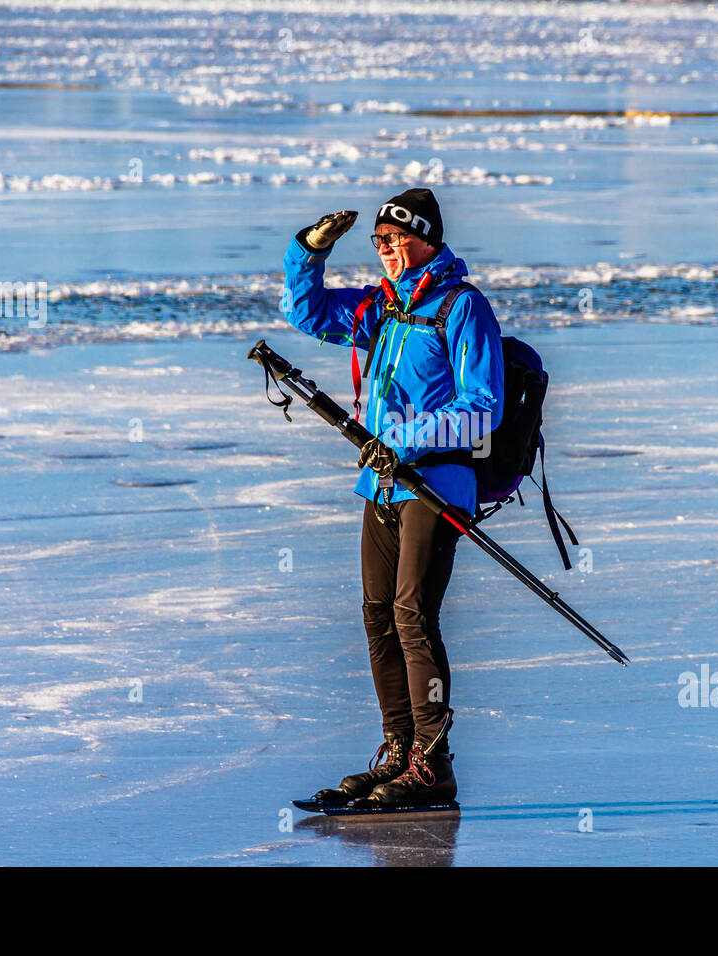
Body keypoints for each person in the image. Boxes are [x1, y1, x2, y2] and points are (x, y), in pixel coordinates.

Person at [280, 188, 504, 807]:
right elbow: (307, 313)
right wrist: (309, 251)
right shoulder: (382, 307)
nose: (382, 250)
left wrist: (406, 439)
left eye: (393, 239)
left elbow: (482, 409)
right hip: (380, 482)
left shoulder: (463, 308)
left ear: (425, 238)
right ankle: (399, 751)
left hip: (437, 485)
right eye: (377, 241)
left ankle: (432, 764)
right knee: (378, 613)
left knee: (412, 612)